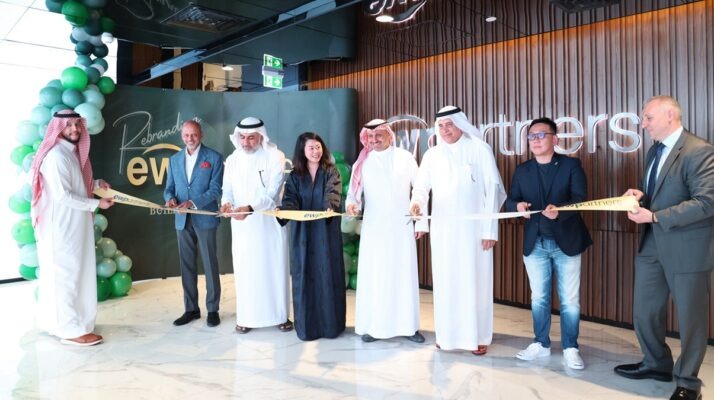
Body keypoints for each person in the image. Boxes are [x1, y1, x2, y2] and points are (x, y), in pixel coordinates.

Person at [614, 96, 714, 400]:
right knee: (645, 311)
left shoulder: (699, 150)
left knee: (691, 319)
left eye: (648, 118)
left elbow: (706, 202)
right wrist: (641, 197)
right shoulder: (655, 150)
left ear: (670, 115)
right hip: (652, 244)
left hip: (687, 248)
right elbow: (663, 193)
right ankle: (656, 364)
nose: (643, 124)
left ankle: (688, 382)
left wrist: (655, 216)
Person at [410, 105, 506, 355]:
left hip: (474, 233)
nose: (445, 130)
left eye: (449, 124)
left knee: (476, 282)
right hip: (443, 231)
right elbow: (421, 188)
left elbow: (492, 191)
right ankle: (447, 336)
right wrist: (417, 207)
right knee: (446, 282)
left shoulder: (479, 149)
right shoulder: (432, 155)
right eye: (440, 126)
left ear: (460, 124)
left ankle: (478, 336)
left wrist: (490, 231)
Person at [504, 117, 592, 370]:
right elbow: (511, 201)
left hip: (567, 243)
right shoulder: (523, 170)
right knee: (539, 298)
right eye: (531, 136)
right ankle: (541, 344)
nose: (535, 140)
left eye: (541, 135)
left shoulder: (571, 165)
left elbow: (580, 200)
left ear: (555, 139)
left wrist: (560, 212)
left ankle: (570, 347)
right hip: (536, 244)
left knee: (570, 300)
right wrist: (518, 207)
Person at [30, 110, 114, 346]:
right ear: (58, 128)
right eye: (68, 125)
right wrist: (97, 203)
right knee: (65, 275)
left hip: (74, 225)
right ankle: (69, 330)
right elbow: (63, 196)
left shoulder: (69, 153)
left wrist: (96, 185)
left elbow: (76, 185)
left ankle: (64, 323)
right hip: (62, 228)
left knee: (74, 273)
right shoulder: (56, 156)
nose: (75, 129)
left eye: (77, 124)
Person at [346, 119, 426, 343]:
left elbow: (420, 189)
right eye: (370, 137)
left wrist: (419, 220)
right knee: (376, 277)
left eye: (378, 135)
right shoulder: (362, 163)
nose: (374, 140)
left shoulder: (405, 158)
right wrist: (352, 206)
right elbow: (353, 195)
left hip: (401, 228)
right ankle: (374, 327)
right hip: (374, 230)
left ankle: (408, 327)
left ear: (390, 135)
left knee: (403, 276)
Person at [219, 117, 292, 334]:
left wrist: (249, 207)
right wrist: (227, 204)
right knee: (246, 271)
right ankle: (246, 318)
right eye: (242, 137)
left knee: (274, 269)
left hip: (269, 225)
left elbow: (272, 194)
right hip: (242, 227)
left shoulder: (275, 157)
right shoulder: (232, 160)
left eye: (251, 138)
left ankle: (280, 316)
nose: (246, 142)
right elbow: (227, 189)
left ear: (261, 136)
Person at [280, 132, 346, 341]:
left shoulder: (331, 171)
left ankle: (331, 327)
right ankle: (307, 328)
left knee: (328, 274)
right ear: (302, 150)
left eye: (318, 147)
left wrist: (329, 206)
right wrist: (284, 210)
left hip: (325, 233)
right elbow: (290, 199)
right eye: (311, 148)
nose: (316, 151)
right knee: (304, 275)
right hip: (303, 235)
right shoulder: (295, 176)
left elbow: (333, 193)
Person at [164, 120, 224, 327]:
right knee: (187, 265)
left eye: (194, 134)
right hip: (182, 219)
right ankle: (191, 309)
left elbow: (215, 190)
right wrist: (170, 199)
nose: (190, 139)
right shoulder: (174, 160)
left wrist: (193, 203)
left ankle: (213, 309)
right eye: (186, 135)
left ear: (201, 135)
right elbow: (169, 188)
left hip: (205, 216)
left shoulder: (214, 157)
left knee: (210, 264)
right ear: (182, 136)